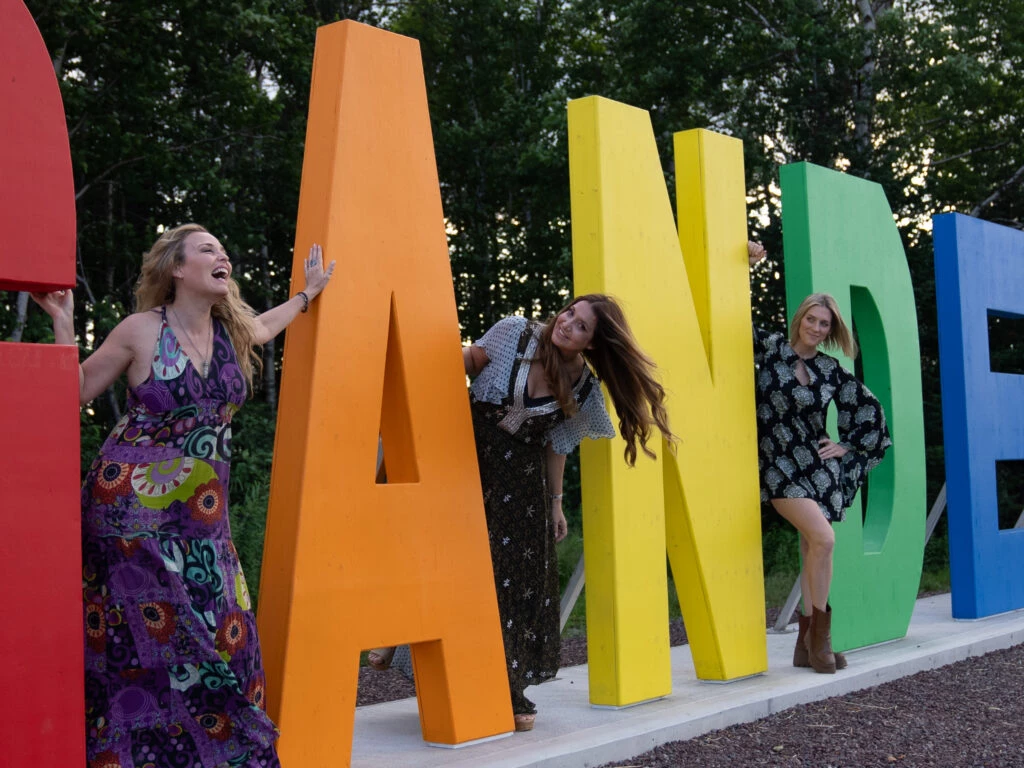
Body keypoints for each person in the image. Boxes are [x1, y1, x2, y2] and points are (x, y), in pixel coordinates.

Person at [31, 224, 334, 768]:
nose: (224, 256)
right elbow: (74, 391)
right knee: (146, 651)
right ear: (177, 268)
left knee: (227, 639)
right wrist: (63, 322)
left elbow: (267, 327)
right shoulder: (140, 330)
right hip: (128, 517)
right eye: (208, 250)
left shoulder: (234, 330)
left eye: (224, 249)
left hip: (202, 525)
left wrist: (308, 295)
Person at [366, 295, 674, 731]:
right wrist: (404, 364)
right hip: (461, 461)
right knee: (441, 558)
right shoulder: (515, 331)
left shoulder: (584, 388)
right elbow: (463, 362)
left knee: (514, 585)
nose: (568, 324)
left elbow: (557, 445)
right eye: (570, 312)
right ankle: (398, 632)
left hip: (520, 487)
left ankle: (508, 684)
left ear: (592, 343)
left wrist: (555, 504)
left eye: (582, 326)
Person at [748, 242, 891, 674]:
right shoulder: (771, 349)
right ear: (799, 319)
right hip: (777, 464)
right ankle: (818, 638)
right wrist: (748, 268)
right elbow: (733, 313)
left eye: (823, 323)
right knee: (824, 539)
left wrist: (846, 444)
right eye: (810, 318)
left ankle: (808, 645)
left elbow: (869, 411)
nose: (815, 326)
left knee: (817, 544)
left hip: (815, 466)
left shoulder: (830, 370)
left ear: (830, 330)